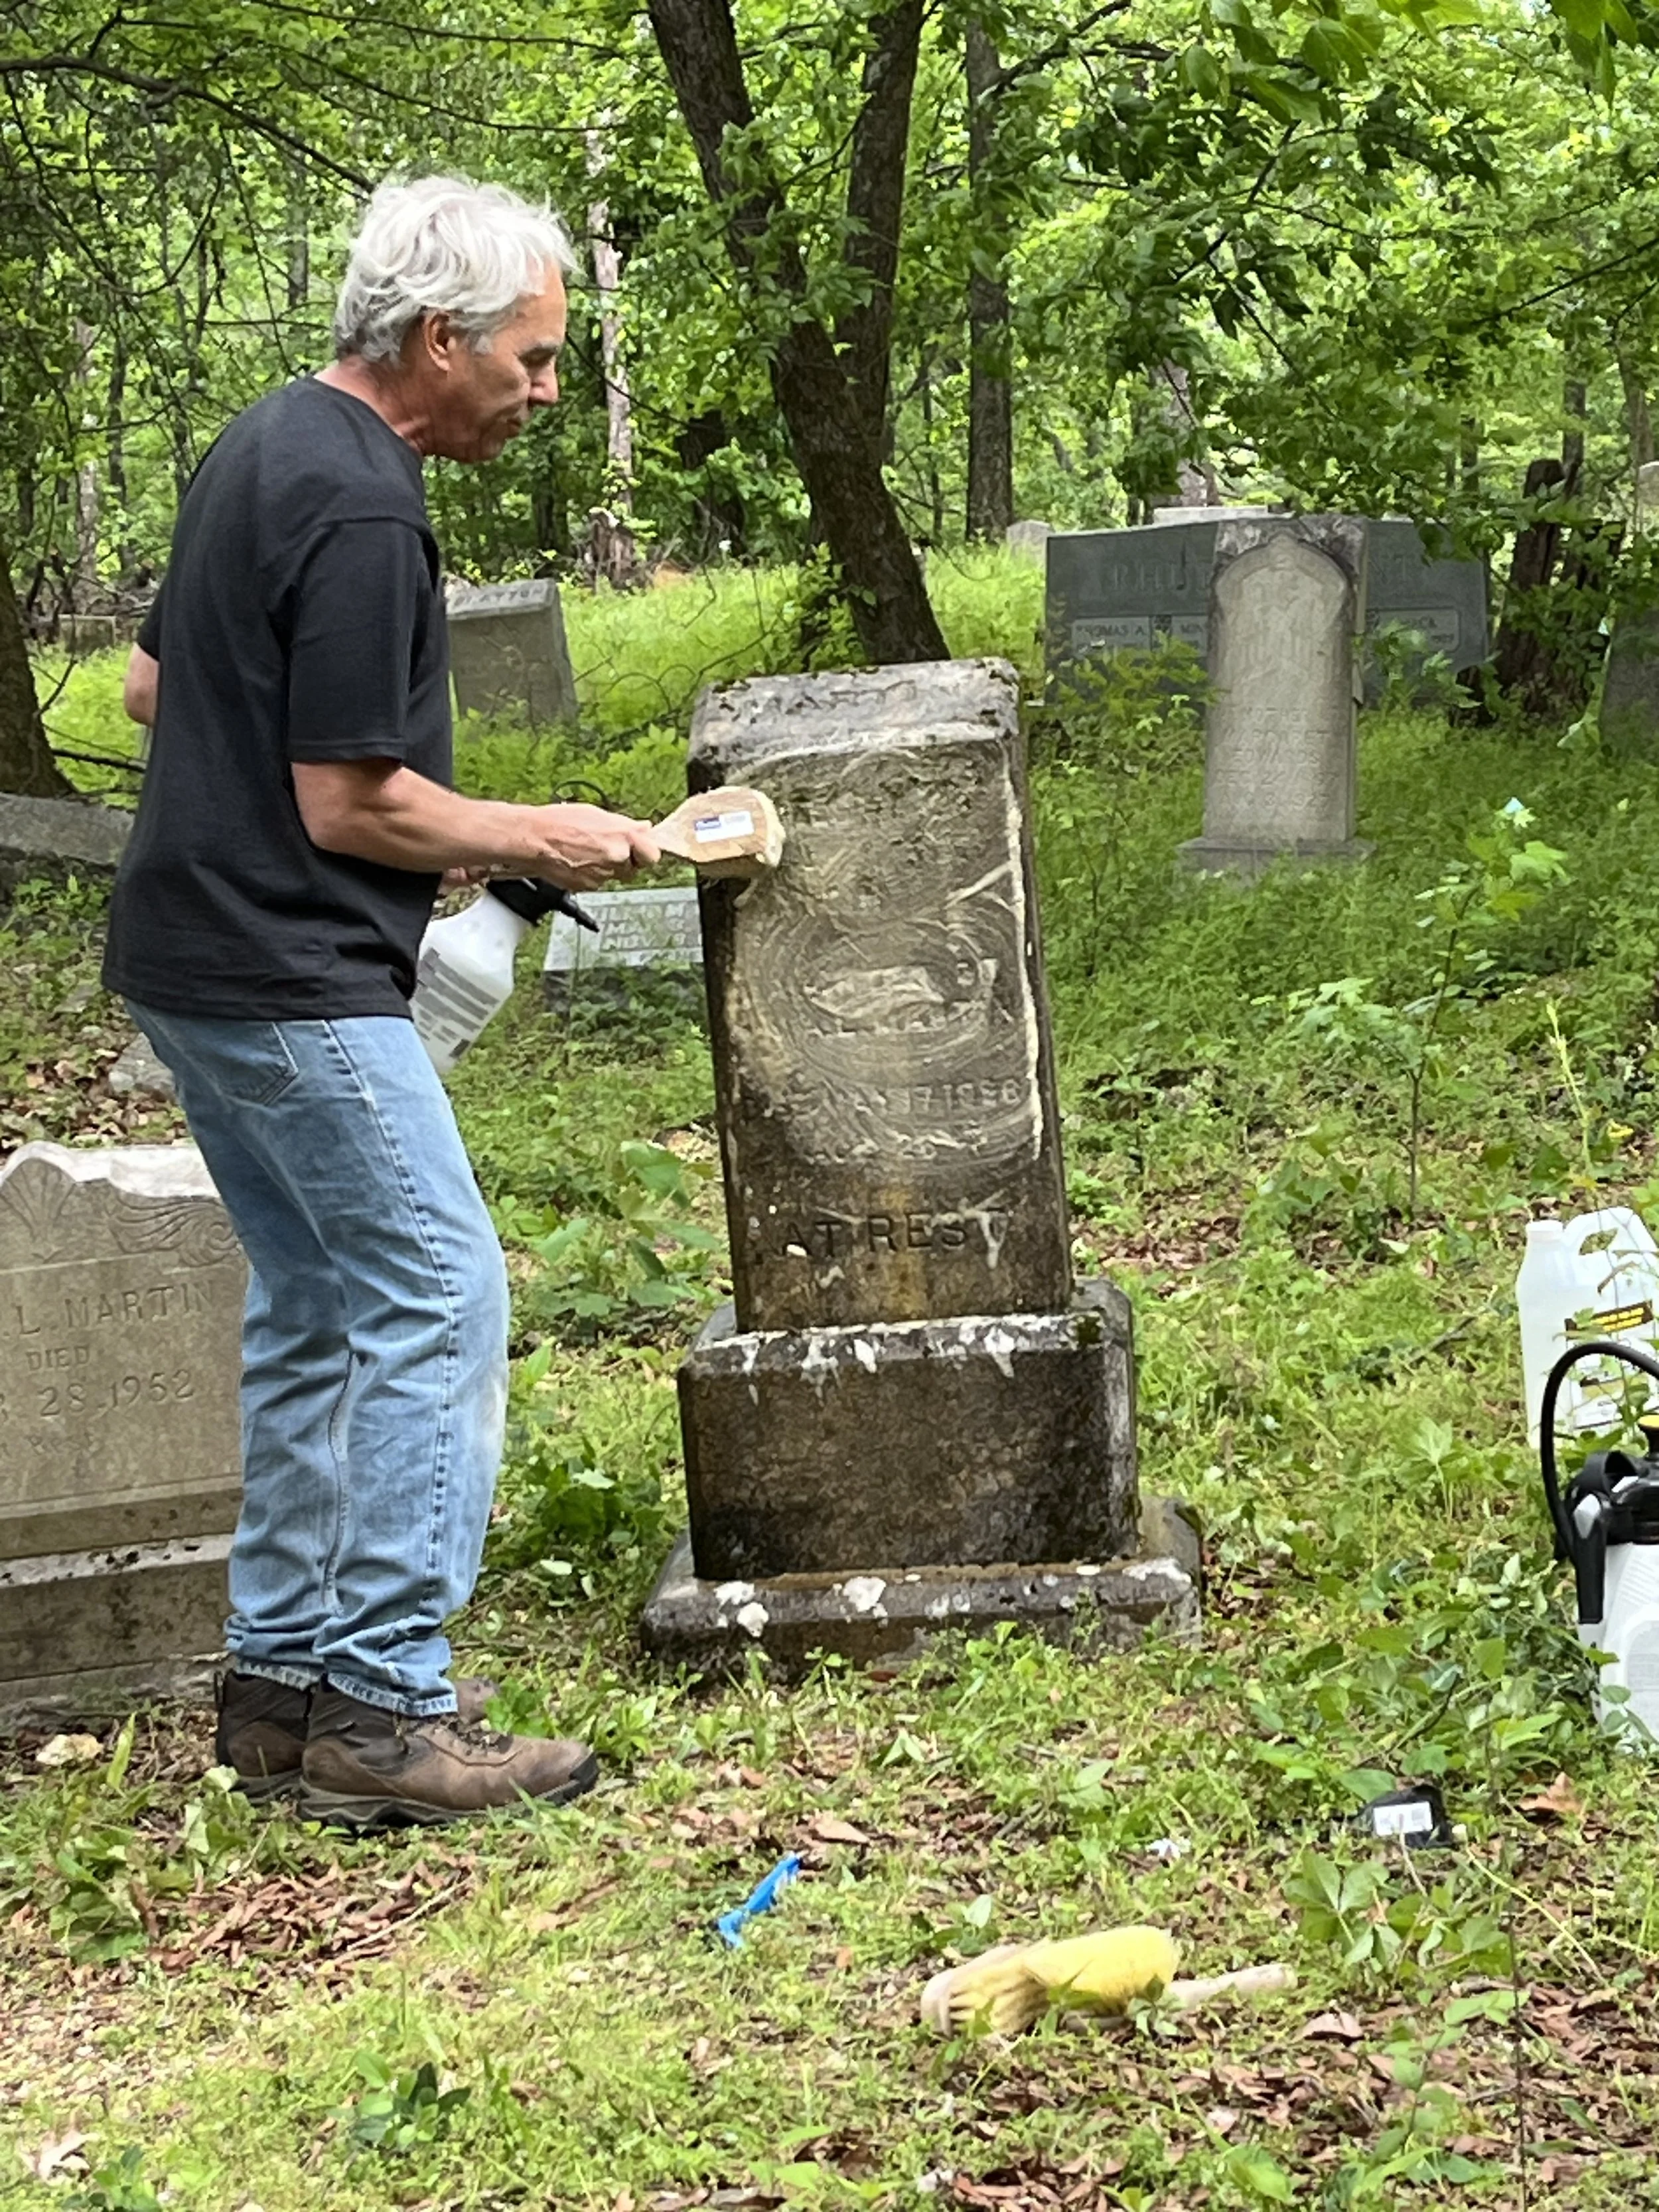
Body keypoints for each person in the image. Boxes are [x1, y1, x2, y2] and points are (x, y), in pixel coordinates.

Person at [106, 175, 660, 1830]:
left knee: (316, 1308)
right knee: (439, 1289)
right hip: (287, 973)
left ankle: (279, 1692)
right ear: (440, 339)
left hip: (192, 956)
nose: (545, 392)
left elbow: (151, 684)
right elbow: (356, 803)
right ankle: (384, 1706)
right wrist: (534, 833)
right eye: (537, 359)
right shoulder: (364, 504)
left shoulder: (261, 439)